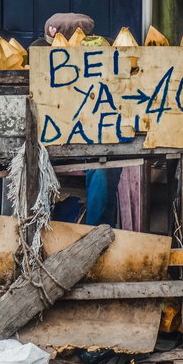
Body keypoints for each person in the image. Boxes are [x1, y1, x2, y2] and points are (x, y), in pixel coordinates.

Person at [34, 12, 122, 226]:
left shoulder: (105, 69)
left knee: (105, 168)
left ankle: (97, 234)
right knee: (22, 163)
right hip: (48, 140)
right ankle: (33, 230)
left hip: (92, 138)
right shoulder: (38, 69)